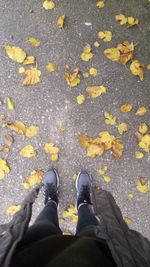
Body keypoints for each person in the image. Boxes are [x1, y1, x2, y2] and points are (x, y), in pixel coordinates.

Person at [1, 169, 150, 267]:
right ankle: (83, 203)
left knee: (45, 227)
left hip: (28, 255)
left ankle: (52, 201)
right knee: (90, 231)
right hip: (101, 257)